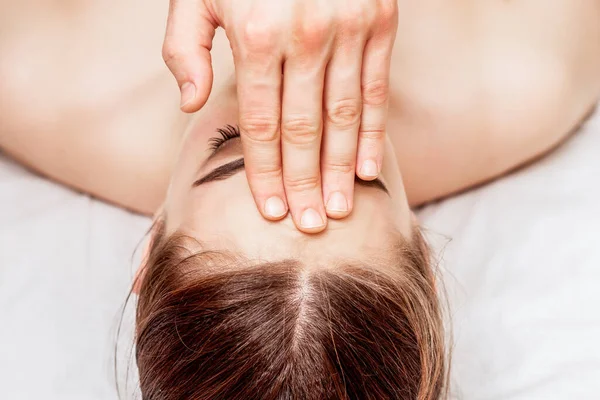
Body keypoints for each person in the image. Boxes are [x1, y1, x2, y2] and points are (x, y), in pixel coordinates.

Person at [1, 0, 598, 398]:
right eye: (351, 175)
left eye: (232, 149)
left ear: (151, 242)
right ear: (424, 253)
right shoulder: (530, 73)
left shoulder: (31, 74)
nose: (292, 116)